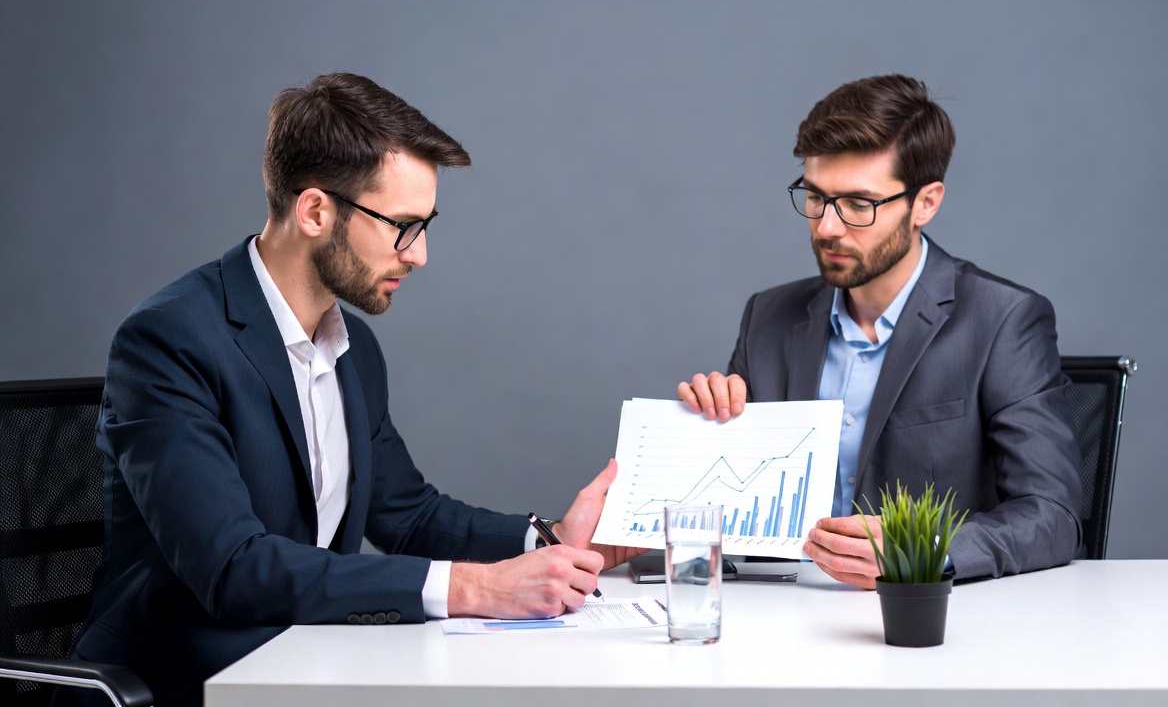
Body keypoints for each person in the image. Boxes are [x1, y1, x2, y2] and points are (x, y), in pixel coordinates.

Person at [62, 73, 641, 707]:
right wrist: (475, 589)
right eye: (402, 225)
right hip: (182, 685)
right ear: (315, 211)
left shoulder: (351, 348)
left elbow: (408, 515)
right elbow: (233, 570)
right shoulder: (171, 340)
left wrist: (551, 538)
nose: (418, 255)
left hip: (309, 666)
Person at [678, 74, 1082, 589]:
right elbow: (736, 496)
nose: (827, 226)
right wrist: (708, 425)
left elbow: (1053, 514)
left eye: (858, 204)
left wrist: (919, 552)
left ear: (926, 203)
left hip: (921, 624)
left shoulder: (1003, 319)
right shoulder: (768, 317)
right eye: (815, 196)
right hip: (777, 617)